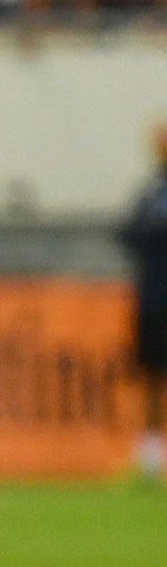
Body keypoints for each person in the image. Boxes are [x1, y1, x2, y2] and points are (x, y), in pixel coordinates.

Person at [121, 122, 167, 480]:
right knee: (152, 376)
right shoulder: (150, 193)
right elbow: (127, 232)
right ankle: (151, 453)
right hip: (153, 299)